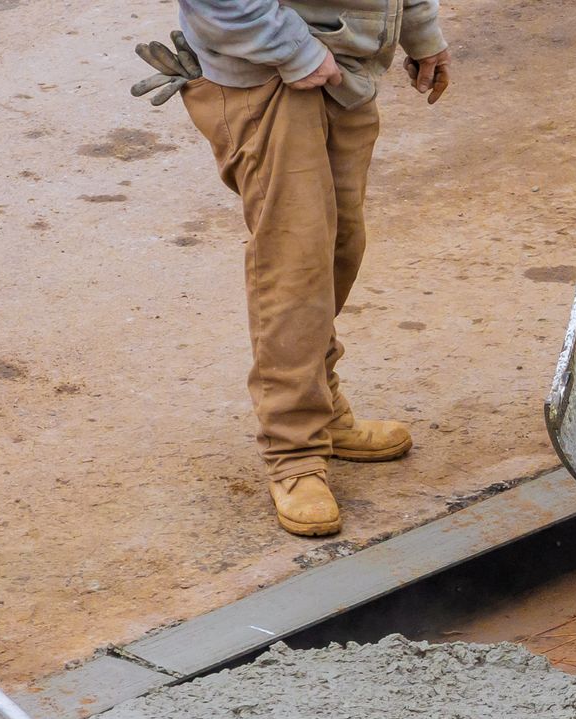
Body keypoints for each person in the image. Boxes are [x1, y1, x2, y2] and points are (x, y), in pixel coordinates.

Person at [172, 0, 453, 535]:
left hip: (342, 67)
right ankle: (294, 450)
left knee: (339, 249)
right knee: (296, 262)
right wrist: (294, 50)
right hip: (270, 74)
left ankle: (320, 407)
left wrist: (420, 30)